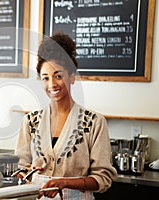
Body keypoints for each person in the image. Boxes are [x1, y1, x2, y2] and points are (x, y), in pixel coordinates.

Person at [14, 32, 117, 199]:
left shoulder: (94, 122)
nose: (52, 84)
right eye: (45, 78)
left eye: (58, 76)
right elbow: (21, 169)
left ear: (72, 77)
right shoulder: (30, 122)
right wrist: (23, 173)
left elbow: (102, 179)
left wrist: (65, 182)